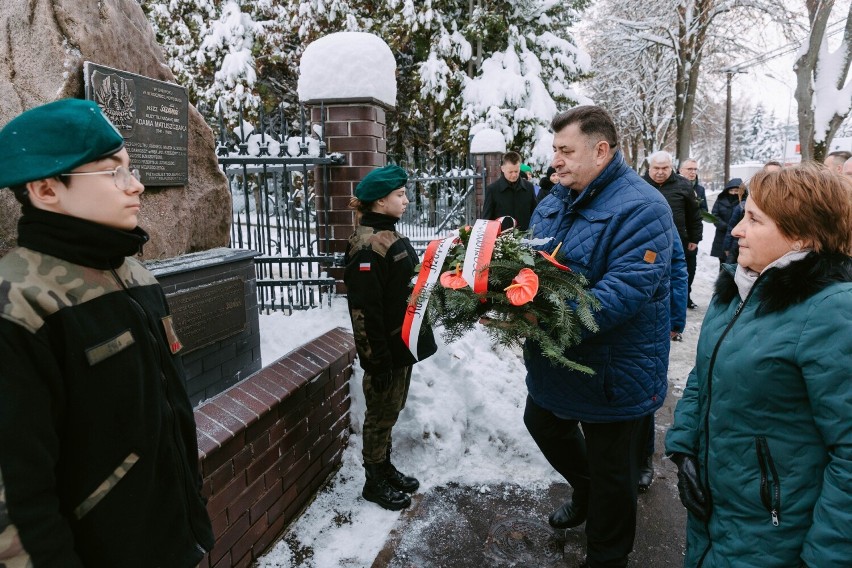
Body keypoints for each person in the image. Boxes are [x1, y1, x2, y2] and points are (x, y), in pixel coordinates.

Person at [0, 99, 214, 566]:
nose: (135, 185)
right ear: (46, 190)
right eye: (113, 172)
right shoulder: (19, 304)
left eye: (131, 168)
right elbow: (16, 502)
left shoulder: (134, 274)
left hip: (173, 541)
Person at [665, 162, 852, 567]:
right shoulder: (738, 288)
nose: (735, 229)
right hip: (717, 517)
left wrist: (825, 558)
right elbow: (704, 372)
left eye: (753, 218)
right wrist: (684, 449)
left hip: (777, 536)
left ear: (801, 234)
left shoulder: (832, 313)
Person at [524, 106, 675, 568]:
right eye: (555, 151)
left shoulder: (643, 206)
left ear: (601, 150)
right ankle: (585, 490)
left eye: (566, 151)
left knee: (616, 473)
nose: (557, 161)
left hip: (615, 366)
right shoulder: (553, 198)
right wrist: (504, 295)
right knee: (543, 422)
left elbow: (620, 294)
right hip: (558, 357)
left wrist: (539, 314)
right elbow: (532, 261)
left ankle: (608, 554)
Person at [343, 165, 437, 511]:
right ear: (380, 201)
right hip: (384, 351)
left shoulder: (388, 235)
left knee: (392, 409)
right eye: (400, 195)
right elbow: (365, 312)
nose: (406, 200)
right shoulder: (368, 245)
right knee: (380, 414)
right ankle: (373, 481)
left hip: (400, 344)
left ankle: (384, 466)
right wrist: (375, 359)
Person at [638, 235, 688, 493]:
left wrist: (676, 317)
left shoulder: (655, 209)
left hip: (650, 319)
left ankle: (643, 459)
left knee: (643, 387)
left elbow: (677, 266)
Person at [644, 151, 703, 309]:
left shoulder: (683, 185)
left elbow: (694, 214)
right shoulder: (639, 184)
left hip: (678, 242)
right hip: (647, 242)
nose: (660, 172)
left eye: (665, 168)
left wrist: (694, 238)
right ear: (649, 167)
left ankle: (676, 309)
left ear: (672, 168)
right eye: (656, 168)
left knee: (678, 276)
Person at [482, 151, 537, 230]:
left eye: (516, 171)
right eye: (510, 172)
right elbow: (486, 220)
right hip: (502, 239)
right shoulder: (492, 190)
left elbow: (535, 214)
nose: (514, 175)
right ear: (502, 169)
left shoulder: (529, 187)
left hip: (525, 238)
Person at [709, 178, 743, 267]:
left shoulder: (743, 202)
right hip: (722, 235)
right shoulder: (721, 199)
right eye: (731, 190)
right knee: (723, 262)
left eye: (736, 191)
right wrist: (725, 226)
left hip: (737, 236)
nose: (733, 193)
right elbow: (714, 215)